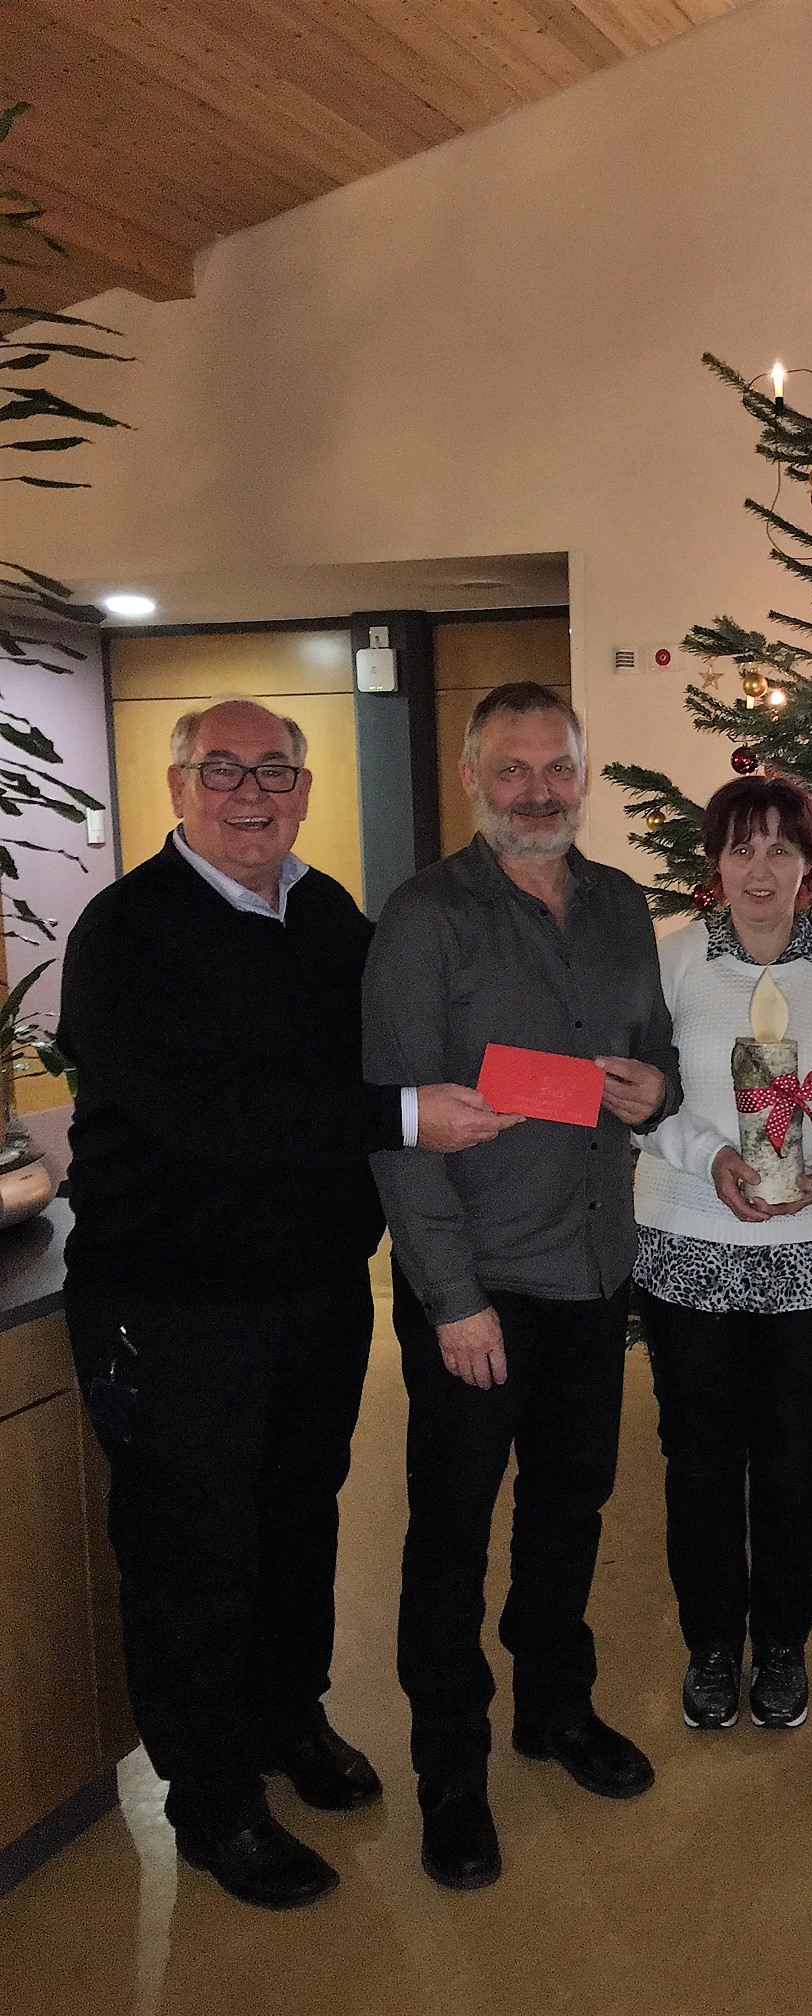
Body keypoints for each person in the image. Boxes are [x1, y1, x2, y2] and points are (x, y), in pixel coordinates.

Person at [61, 698, 506, 1910]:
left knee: (299, 1520)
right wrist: (409, 1118)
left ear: (306, 789)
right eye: (223, 770)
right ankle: (213, 1803)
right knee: (192, 1552)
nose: (249, 792)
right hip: (174, 1304)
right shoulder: (127, 932)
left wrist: (550, 1073)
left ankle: (287, 1719)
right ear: (177, 787)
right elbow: (210, 1120)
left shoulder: (325, 916)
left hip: (311, 1293)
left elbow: (406, 1035)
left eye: (273, 770)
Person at [363, 681, 680, 1892]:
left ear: (584, 776)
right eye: (512, 771)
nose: (538, 791)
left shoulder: (619, 907)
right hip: (482, 1284)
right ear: (471, 779)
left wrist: (662, 1088)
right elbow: (397, 1125)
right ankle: (451, 1769)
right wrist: (450, 1300)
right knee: (449, 1536)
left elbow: (652, 1057)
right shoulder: (425, 917)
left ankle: (556, 1707)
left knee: (570, 1510)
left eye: (557, 769)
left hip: (595, 1274)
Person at [633, 776, 812, 1733]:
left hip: (810, 1260)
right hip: (690, 1250)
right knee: (700, 1461)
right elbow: (640, 1102)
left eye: (781, 850)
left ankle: (783, 1644)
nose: (761, 868)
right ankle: (712, 1646)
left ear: (808, 868)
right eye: (742, 847)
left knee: (793, 1462)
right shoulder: (670, 969)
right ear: (715, 862)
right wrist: (705, 1156)